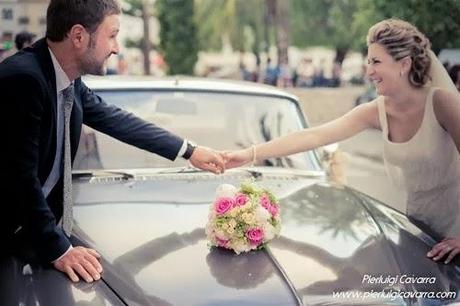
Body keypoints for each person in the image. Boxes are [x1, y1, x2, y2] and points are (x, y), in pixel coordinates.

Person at [0, 0, 225, 283]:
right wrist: (60, 250)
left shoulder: (67, 80)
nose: (117, 48)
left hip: (27, 235)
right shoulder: (23, 79)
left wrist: (190, 151)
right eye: (112, 35)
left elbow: (116, 120)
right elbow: (19, 179)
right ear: (79, 36)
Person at [225, 19, 460, 264]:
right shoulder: (374, 111)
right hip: (417, 230)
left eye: (376, 62)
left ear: (404, 64)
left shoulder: (442, 103)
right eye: (369, 61)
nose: (369, 71)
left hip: (455, 231)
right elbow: (312, 136)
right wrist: (248, 154)